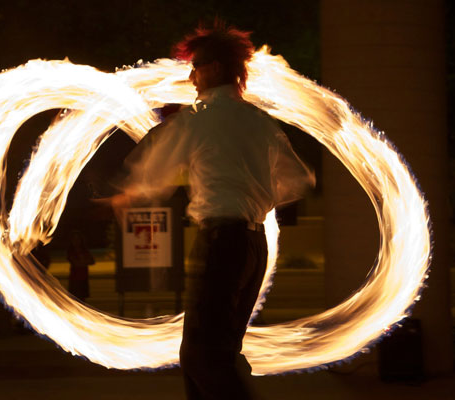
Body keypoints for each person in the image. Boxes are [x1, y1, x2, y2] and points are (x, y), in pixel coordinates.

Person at [110, 21, 314, 399]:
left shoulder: (201, 118)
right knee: (215, 354)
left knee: (203, 358)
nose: (190, 76)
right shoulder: (260, 122)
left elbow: (155, 166)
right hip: (253, 248)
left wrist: (128, 195)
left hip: (222, 242)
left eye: (196, 65)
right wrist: (254, 192)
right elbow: (300, 180)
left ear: (216, 68)